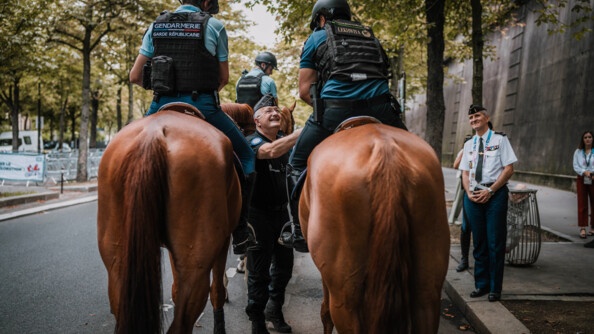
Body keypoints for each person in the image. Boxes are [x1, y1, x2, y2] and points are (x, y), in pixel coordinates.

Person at [279, 0, 407, 252]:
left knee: (295, 162)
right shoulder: (370, 35)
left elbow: (305, 91)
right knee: (414, 157)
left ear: (322, 19)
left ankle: (297, 230)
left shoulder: (316, 37)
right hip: (381, 107)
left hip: (337, 109)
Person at [128, 0, 255, 255]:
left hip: (160, 105)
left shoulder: (156, 26)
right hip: (203, 106)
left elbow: (135, 76)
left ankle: (128, 219)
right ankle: (241, 229)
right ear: (207, 2)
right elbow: (222, 79)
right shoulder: (215, 26)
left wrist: (162, 90)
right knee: (247, 156)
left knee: (127, 153)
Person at [244, 94, 303, 334]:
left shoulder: (284, 141)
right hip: (257, 217)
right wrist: (302, 132)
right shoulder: (252, 141)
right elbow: (270, 152)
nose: (275, 112)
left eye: (277, 110)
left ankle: (274, 310)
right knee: (258, 274)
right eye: (268, 111)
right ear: (257, 120)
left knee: (283, 270)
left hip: (282, 216)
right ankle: (257, 321)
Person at [460, 104, 517, 302]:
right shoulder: (469, 144)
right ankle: (481, 285)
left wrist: (491, 190)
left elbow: (509, 169)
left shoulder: (500, 140)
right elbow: (465, 173)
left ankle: (495, 288)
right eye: (471, 117)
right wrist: (468, 192)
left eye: (477, 116)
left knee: (495, 243)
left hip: (495, 195)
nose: (473, 120)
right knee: (479, 244)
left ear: (486, 118)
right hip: (473, 196)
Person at [572, 131, 594, 244]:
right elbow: (575, 165)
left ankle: (593, 227)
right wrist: (584, 172)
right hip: (582, 178)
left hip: (593, 178)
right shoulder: (578, 152)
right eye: (585, 137)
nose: (588, 139)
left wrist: (591, 174)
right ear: (583, 139)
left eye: (590, 137)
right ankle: (583, 228)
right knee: (582, 203)